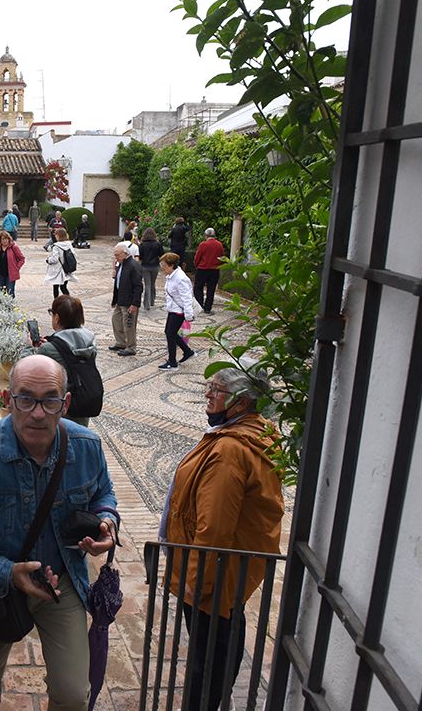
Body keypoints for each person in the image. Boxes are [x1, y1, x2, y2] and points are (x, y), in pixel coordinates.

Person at [0, 355, 118, 711]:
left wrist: (107, 521)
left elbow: (103, 494)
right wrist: (5, 570)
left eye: (49, 399)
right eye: (25, 398)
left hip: (60, 579)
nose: (37, 412)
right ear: (8, 398)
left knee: (73, 693)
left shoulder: (86, 447)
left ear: (65, 403)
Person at [161, 360, 283, 711]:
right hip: (233, 573)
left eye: (217, 389)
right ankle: (220, 698)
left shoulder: (229, 451)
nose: (208, 394)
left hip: (212, 575)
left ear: (242, 402)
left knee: (206, 659)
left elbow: (213, 528)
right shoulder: (256, 432)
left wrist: (197, 583)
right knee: (225, 635)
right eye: (209, 386)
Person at [34, 295, 98, 428]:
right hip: (82, 402)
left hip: (61, 410)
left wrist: (28, 346)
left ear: (57, 317)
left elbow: (27, 366)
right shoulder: (90, 341)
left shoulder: (48, 349)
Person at [159, 251, 195, 370]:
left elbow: (187, 297)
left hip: (179, 311)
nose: (162, 268)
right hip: (173, 309)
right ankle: (187, 351)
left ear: (171, 265)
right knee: (170, 333)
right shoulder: (172, 275)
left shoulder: (180, 278)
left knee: (170, 334)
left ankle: (172, 362)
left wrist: (189, 315)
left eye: (163, 266)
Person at [109, 241, 142, 357]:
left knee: (129, 325)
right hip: (120, 300)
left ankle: (131, 347)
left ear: (125, 253)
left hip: (129, 302)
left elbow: (138, 286)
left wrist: (134, 304)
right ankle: (121, 342)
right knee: (116, 320)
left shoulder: (133, 266)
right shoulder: (121, 264)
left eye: (117, 255)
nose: (115, 257)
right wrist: (115, 300)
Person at [193, 227, 226, 314]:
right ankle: (207, 308)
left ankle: (199, 305)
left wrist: (196, 265)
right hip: (214, 270)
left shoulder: (203, 244)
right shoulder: (219, 245)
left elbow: (197, 257)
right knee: (211, 289)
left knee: (198, 288)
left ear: (206, 235)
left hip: (202, 269)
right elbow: (222, 257)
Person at [0, 231, 25, 297]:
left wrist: (17, 267)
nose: (5, 241)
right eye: (3, 239)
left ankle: (11, 306)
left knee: (10, 291)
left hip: (10, 274)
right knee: (1, 292)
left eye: (6, 239)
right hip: (1, 273)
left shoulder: (14, 247)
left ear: (9, 239)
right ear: (0, 240)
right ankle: (3, 307)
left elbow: (22, 258)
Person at [44, 228, 75, 299]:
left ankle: (56, 304)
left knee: (56, 288)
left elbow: (54, 259)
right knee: (64, 287)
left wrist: (48, 260)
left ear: (59, 236)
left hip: (57, 270)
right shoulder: (69, 244)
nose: (55, 236)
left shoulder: (56, 246)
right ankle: (69, 302)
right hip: (66, 269)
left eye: (56, 235)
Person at [138, 227, 164, 311]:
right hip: (155, 266)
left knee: (147, 285)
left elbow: (140, 256)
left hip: (145, 266)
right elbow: (162, 254)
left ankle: (147, 304)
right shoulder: (157, 244)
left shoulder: (142, 244)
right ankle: (152, 300)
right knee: (153, 283)